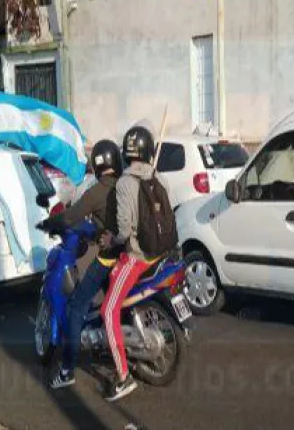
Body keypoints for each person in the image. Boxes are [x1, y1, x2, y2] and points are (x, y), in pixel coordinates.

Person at [100, 124, 177, 402]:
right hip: (163, 254)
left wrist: (110, 241)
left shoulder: (124, 184)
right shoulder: (161, 179)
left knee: (107, 311)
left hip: (137, 260)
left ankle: (123, 377)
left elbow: (123, 231)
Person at [46, 139, 123, 390]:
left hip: (109, 256)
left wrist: (50, 223)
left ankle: (67, 371)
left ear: (98, 165)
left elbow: (71, 216)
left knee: (76, 306)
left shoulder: (96, 192)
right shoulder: (126, 185)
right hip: (130, 254)